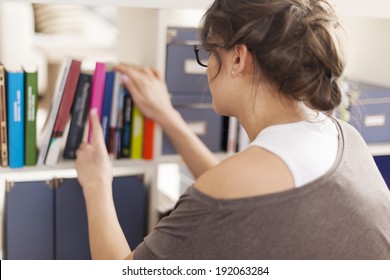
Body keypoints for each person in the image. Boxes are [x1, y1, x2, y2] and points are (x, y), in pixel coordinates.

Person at [75, 0, 390, 259]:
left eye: (211, 52)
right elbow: (238, 199)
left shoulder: (236, 183)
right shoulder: (344, 135)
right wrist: (168, 117)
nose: (209, 67)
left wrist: (96, 183)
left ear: (238, 58)